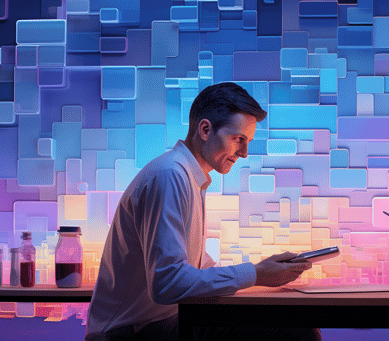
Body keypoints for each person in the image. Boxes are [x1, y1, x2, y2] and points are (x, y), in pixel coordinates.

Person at [86, 82, 319, 341]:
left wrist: (264, 270)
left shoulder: (188, 178)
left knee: (289, 324)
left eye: (247, 142)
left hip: (161, 323)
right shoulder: (170, 177)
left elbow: (194, 269)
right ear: (205, 129)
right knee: (296, 330)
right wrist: (255, 273)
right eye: (238, 139)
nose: (243, 153)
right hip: (134, 332)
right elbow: (168, 283)